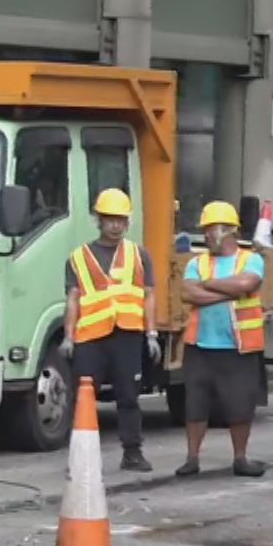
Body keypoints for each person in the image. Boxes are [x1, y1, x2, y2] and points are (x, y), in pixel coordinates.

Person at [62, 188, 157, 472]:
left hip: (127, 334)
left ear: (127, 222)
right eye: (109, 219)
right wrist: (68, 337)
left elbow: (149, 294)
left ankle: (132, 452)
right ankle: (80, 458)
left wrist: (151, 334)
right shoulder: (78, 257)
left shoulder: (138, 254)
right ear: (99, 220)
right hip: (90, 337)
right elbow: (73, 299)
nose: (115, 225)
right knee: (84, 399)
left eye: (121, 220)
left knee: (128, 396)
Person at [175, 201, 268, 479]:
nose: (206, 236)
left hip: (238, 346)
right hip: (201, 346)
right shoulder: (197, 262)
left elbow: (246, 284)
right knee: (195, 405)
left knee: (240, 404)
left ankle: (240, 458)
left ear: (229, 230)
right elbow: (188, 293)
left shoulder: (251, 259)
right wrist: (228, 292)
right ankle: (192, 458)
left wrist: (207, 285)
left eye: (211, 229)